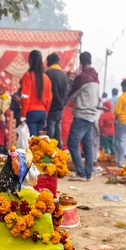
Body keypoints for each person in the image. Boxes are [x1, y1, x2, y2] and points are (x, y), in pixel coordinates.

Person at [68, 51, 100, 181]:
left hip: (82, 114)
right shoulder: (95, 77)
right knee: (87, 145)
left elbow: (71, 95)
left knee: (72, 143)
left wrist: (71, 81)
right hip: (92, 114)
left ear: (80, 63)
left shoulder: (82, 77)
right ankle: (88, 173)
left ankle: (81, 173)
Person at [21, 50, 52, 136]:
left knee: (32, 142)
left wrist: (23, 116)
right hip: (42, 112)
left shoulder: (28, 76)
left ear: (30, 60)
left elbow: (25, 97)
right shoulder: (46, 78)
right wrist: (45, 115)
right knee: (40, 141)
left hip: (31, 112)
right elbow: (49, 99)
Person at [45, 53, 68, 147]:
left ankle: (49, 151)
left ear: (48, 62)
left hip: (50, 107)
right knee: (58, 130)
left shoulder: (47, 74)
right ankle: (59, 151)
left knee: (50, 133)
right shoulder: (64, 75)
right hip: (60, 107)